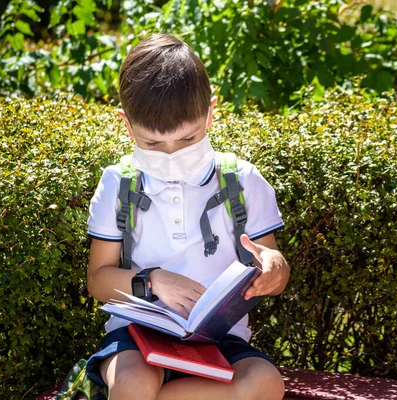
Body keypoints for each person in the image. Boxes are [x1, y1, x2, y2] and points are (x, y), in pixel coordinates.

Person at [84, 33, 290, 400]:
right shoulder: (118, 184)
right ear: (127, 125)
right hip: (136, 337)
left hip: (220, 339)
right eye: (151, 143)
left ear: (210, 113)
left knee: (265, 383)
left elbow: (273, 260)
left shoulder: (242, 180)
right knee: (133, 383)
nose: (170, 154)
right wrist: (152, 281)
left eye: (186, 139)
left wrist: (274, 268)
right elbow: (98, 280)